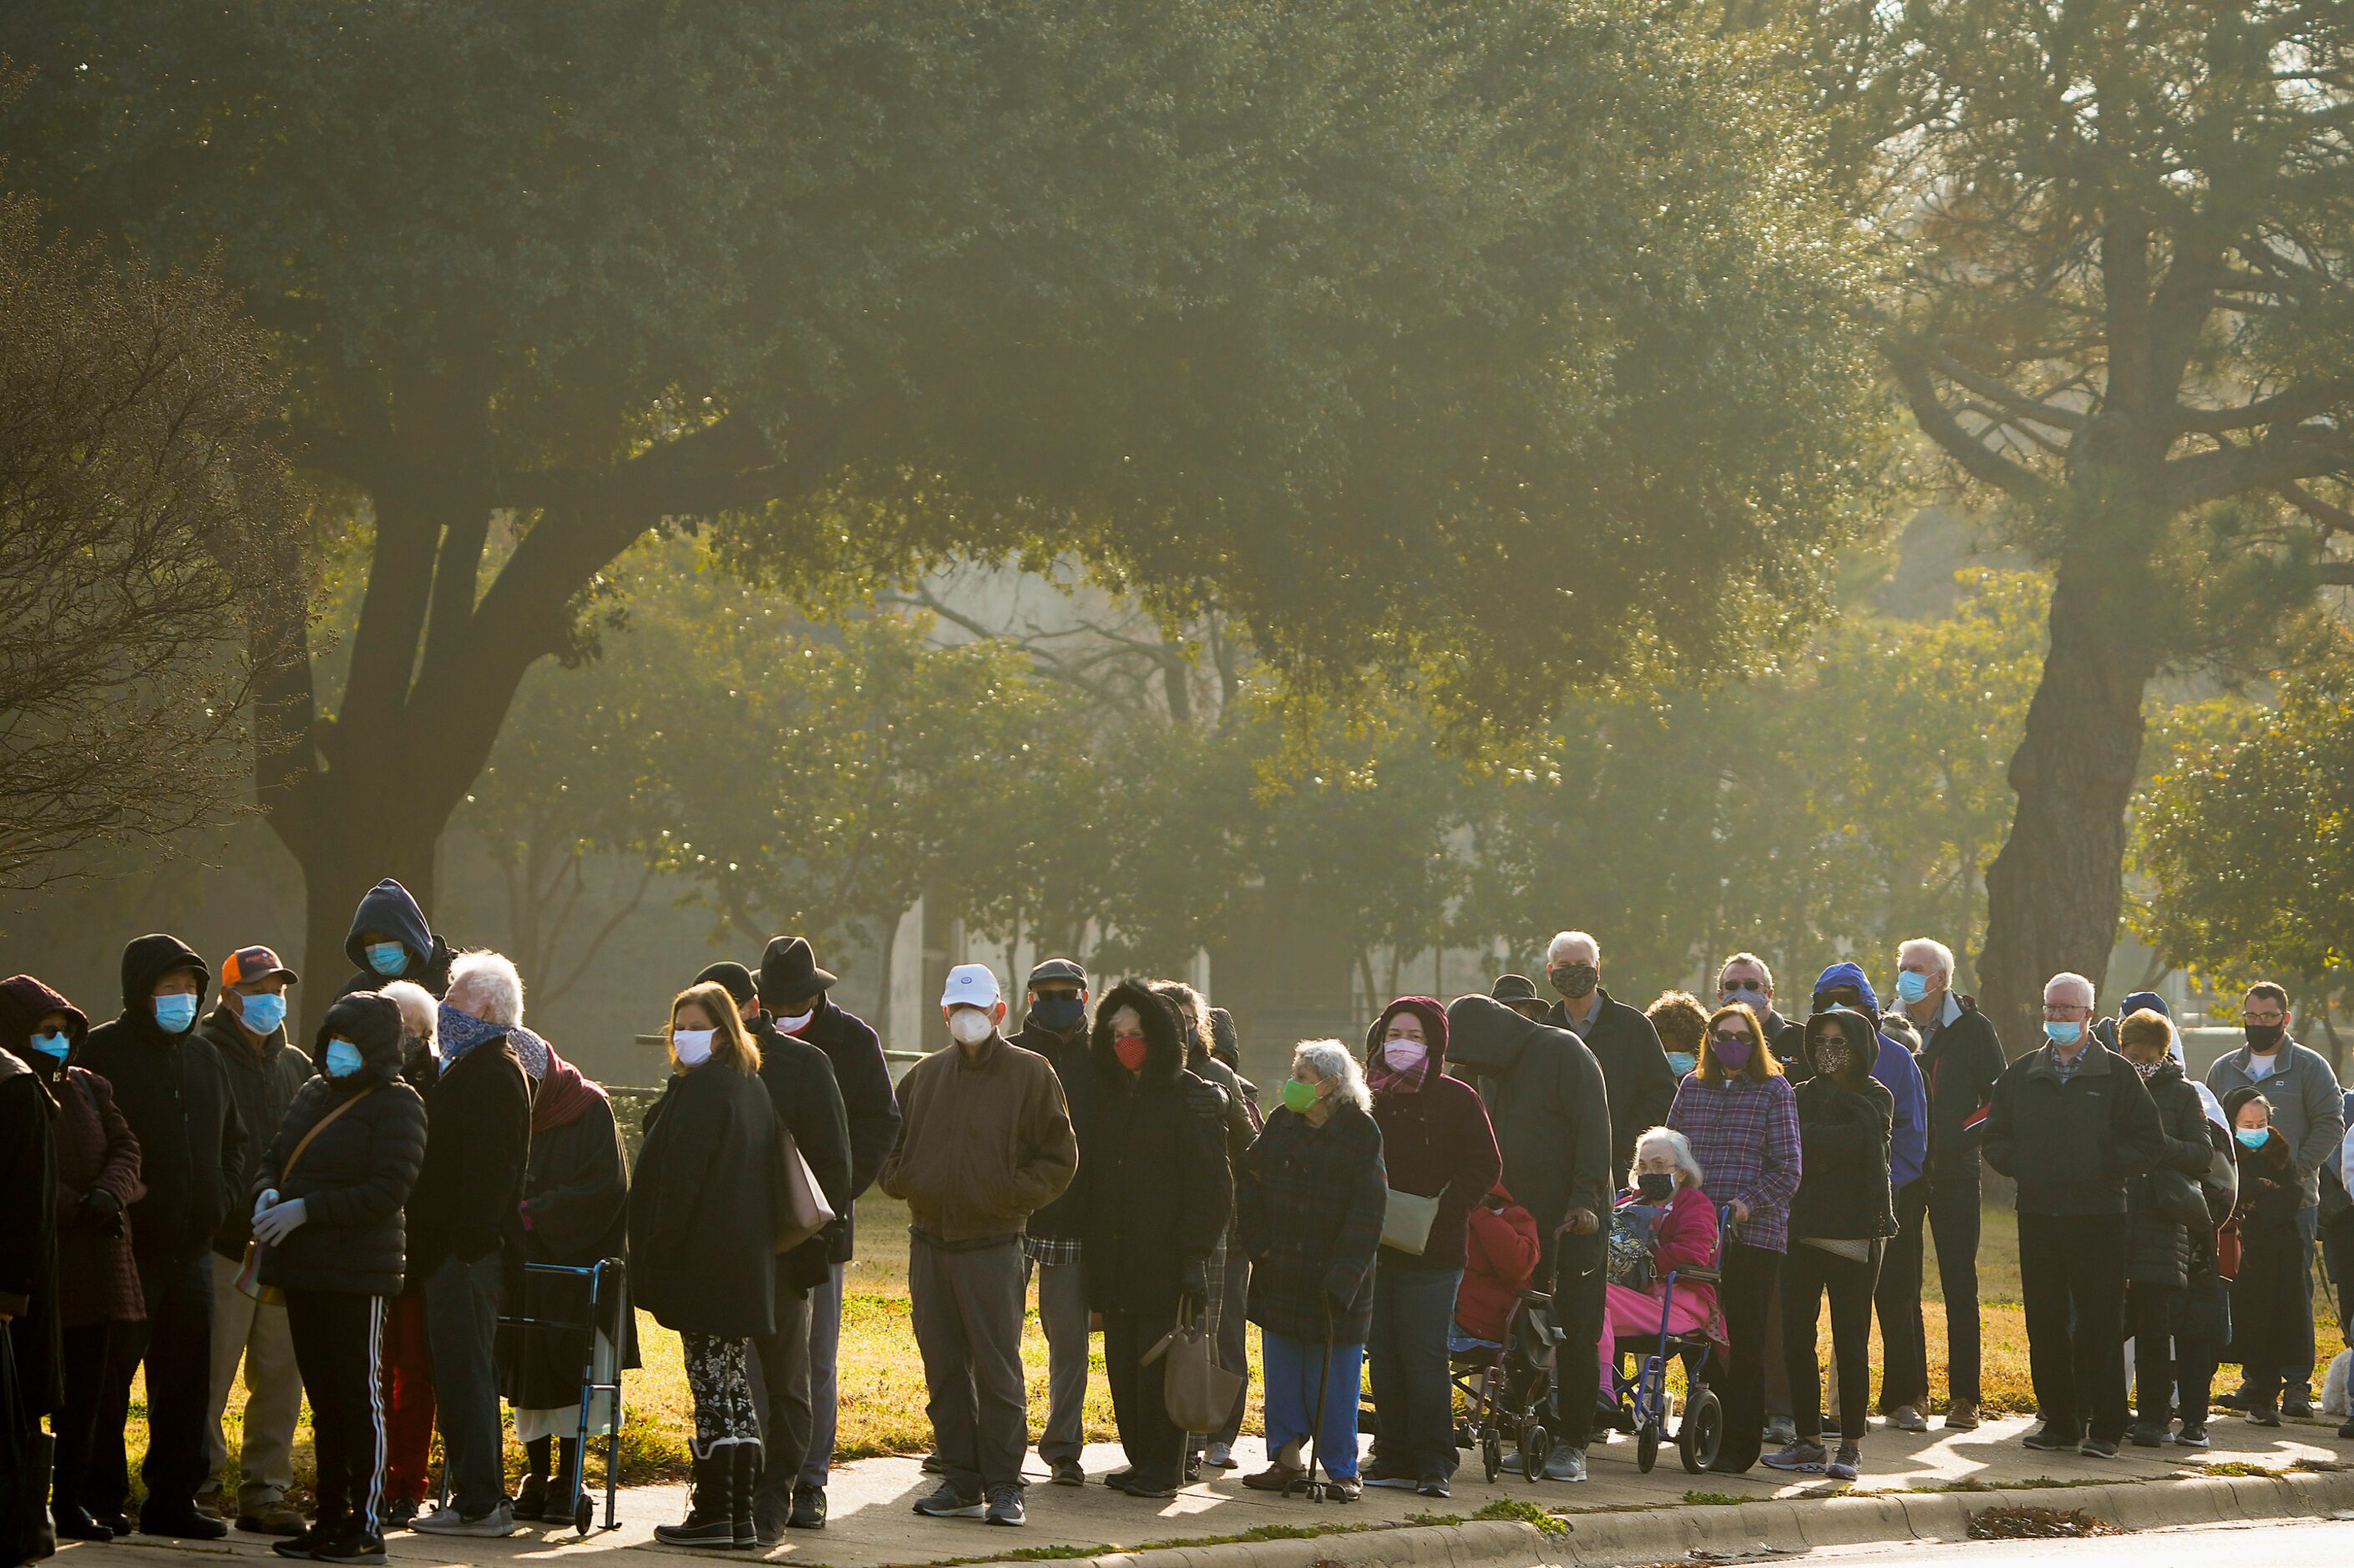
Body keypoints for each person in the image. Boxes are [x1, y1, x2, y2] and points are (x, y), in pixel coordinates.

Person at [879, 964, 1076, 1528]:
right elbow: (889, 1145)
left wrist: (1010, 1197)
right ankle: (961, 1480)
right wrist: (905, 1180)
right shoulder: (924, 1076)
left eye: (977, 1008)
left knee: (996, 1372)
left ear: (998, 1012)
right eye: (957, 1009)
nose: (967, 1018)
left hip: (993, 1245)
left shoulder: (1030, 1073)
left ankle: (1004, 1485)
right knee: (943, 1370)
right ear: (944, 1013)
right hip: (930, 1243)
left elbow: (1059, 1157)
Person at [250, 990, 428, 1566]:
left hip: (358, 1273)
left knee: (360, 1400)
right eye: (332, 1041)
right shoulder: (312, 1092)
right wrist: (270, 1191)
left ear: (376, 1049)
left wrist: (308, 1209)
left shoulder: (398, 1104)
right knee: (324, 1401)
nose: (337, 1053)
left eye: (350, 1044)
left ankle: (365, 1522)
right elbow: (273, 1156)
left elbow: (388, 1191)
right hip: (303, 1270)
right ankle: (329, 1516)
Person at [78, 933, 246, 1540]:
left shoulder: (206, 1059)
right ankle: (97, 1494)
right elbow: (81, 1139)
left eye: (191, 989)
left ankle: (173, 1498)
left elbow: (236, 1142)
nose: (183, 999)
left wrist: (222, 1199)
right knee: (108, 1379)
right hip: (125, 1247)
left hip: (194, 1251)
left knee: (185, 1384)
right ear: (138, 992)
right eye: (169, 988)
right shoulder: (101, 1052)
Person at [691, 959, 851, 1544]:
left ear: (752, 1009)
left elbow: (833, 1163)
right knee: (721, 1381)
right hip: (716, 1255)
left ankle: (776, 1496)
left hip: (783, 1253)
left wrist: (810, 1241)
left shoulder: (804, 1065)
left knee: (786, 1379)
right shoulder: (697, 1072)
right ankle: (718, 1496)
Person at [1982, 971, 2165, 1458]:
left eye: (2068, 1009)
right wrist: (2022, 1166)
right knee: (2043, 1322)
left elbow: (2149, 1142)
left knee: (2100, 1322)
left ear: (2088, 1014)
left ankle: (2106, 1425)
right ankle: (2060, 1422)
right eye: (2051, 1008)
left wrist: (2105, 1167)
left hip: (2100, 1216)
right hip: (2039, 1214)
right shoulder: (2023, 1073)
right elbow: (1994, 1136)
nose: (2058, 1017)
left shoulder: (2117, 1075)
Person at [754, 936, 899, 1527]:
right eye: (775, 1004)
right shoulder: (748, 1040)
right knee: (755, 1355)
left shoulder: (853, 1042)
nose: (784, 1015)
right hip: (753, 1227)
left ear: (815, 996)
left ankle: (809, 1480)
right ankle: (760, 1470)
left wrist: (829, 1195)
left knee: (814, 1359)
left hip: (821, 1226)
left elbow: (880, 1124)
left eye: (795, 1004)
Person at [1067, 982, 1229, 1500]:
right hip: (1114, 1261)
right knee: (1123, 1367)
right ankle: (1141, 1462)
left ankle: (1164, 1468)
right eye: (1116, 1034)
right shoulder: (1109, 1097)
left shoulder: (1189, 1098)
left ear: (1158, 1037)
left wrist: (1193, 1257)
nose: (1125, 1043)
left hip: (1166, 1262)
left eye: (1136, 1033)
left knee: (1162, 1367)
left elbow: (1211, 1188)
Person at [630, 984, 778, 1548]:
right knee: (731, 1386)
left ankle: (716, 1511)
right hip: (739, 1264)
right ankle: (735, 1513)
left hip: (702, 1263)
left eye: (695, 1024)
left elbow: (681, 1181)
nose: (683, 1036)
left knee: (712, 1386)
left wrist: (658, 1253)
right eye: (678, 1025)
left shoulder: (704, 1090)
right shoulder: (749, 1086)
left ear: (722, 1029)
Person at [1445, 992, 1610, 1483]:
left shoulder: (1564, 1052)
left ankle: (1572, 1442)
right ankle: (1526, 1434)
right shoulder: (1483, 1069)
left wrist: (1585, 1201)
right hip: (1515, 1228)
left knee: (1577, 1330)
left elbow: (1594, 1136)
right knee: (1518, 1329)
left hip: (1574, 1223)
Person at [3, 976, 139, 1545]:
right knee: (35, 1389)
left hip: (99, 1257)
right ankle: (27, 1502)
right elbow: (23, 1175)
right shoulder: (16, 1091)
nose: (57, 1042)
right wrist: (71, 1206)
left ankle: (72, 1497)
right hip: (43, 1259)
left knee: (87, 1394)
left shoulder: (87, 1085)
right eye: (45, 1031)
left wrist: (110, 1192)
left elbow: (126, 1146)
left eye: (65, 1031)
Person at [407, 953, 532, 1539]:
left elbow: (492, 1173)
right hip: (454, 1253)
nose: (444, 1007)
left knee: (465, 1375)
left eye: (453, 997)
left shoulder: (492, 1072)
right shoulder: (470, 1067)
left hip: (465, 1257)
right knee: (458, 1373)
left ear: (484, 1006)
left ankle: (481, 1501)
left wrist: (463, 1244)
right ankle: (476, 1496)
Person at [1357, 997, 1496, 1499]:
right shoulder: (1365, 1096)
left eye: (1415, 1036)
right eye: (1395, 1033)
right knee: (1384, 1354)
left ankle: (1435, 1457)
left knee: (1423, 1354)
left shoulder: (1458, 1098)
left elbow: (1485, 1167)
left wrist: (1444, 1209)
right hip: (1376, 1246)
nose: (1403, 1044)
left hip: (1433, 1250)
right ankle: (1391, 1451)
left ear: (1435, 1044)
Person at [1237, 1040, 1386, 1501]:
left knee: (1335, 1380)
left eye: (1302, 1078)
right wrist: (1259, 1246)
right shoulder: (1283, 1123)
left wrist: (1343, 1277)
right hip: (1282, 1270)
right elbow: (1250, 1176)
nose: (1293, 1087)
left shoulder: (1362, 1133)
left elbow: (1369, 1212)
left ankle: (1342, 1470)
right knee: (1282, 1371)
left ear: (1331, 1085)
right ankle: (1285, 1461)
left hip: (1336, 1280)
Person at [195, 945, 310, 1534]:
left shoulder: (298, 1066)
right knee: (209, 1371)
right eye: (260, 987)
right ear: (230, 995)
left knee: (280, 1373)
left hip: (283, 1249)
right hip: (224, 1242)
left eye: (279, 988)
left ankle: (264, 1492)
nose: (272, 999)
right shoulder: (203, 1054)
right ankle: (199, 1484)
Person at [504, 1047, 638, 1525]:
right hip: (527, 1266)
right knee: (529, 1377)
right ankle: (536, 1477)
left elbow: (607, 1186)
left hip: (578, 1268)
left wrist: (537, 1211)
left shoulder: (589, 1107)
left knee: (571, 1375)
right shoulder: (517, 1108)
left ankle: (569, 1476)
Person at [1665, 1001, 1800, 1474]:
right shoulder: (1692, 1087)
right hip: (1696, 1233)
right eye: (1722, 1037)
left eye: (1742, 1037)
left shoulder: (1774, 1090)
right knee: (1695, 1332)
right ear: (1709, 1041)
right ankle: (1706, 1427)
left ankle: (1740, 1444)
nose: (1732, 1046)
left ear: (1756, 1042)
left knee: (1742, 1340)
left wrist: (1746, 1203)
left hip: (1752, 1236)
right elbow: (1671, 1149)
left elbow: (1788, 1169)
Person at [1880, 937, 2005, 1434]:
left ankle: (1964, 1397)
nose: (1907, 975)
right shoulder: (1884, 1026)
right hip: (1901, 1174)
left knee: (1959, 1283)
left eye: (1918, 968)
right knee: (1900, 1284)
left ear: (1942, 979)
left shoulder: (1973, 1029)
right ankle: (1908, 1394)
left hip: (1955, 1172)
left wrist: (1956, 1140)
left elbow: (1997, 1099)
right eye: (1903, 966)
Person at [1764, 1006, 1894, 1482]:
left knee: (1850, 1341)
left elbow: (1858, 1144)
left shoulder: (1876, 1097)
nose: (1828, 1052)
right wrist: (1824, 1150)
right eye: (1820, 1041)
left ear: (1860, 1048)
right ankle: (1808, 1440)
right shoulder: (1797, 1095)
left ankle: (1851, 1446)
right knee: (1797, 1338)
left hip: (1856, 1236)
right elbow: (1786, 1146)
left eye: (1840, 1042)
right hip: (1800, 1233)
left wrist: (1814, 1146)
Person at [2205, 982, 2345, 1419]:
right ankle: (2256, 1382)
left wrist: (2295, 1173)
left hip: (2294, 1208)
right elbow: (2209, 1126)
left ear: (2285, 1018)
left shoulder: (2309, 1066)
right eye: (2252, 1017)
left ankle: (2297, 1383)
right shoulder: (2225, 1068)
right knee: (2248, 1294)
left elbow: (2330, 1123)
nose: (2259, 1024)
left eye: (2268, 1017)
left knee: (2293, 1294)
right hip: (2238, 1208)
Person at [1150, 979, 1254, 1481]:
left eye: (1189, 1018)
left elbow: (1251, 1148)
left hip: (1222, 1231)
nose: (1180, 1026)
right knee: (1165, 1334)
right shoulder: (1141, 1074)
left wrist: (1225, 1108)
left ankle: (1216, 1436)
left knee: (1220, 1334)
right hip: (1159, 1229)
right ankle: (1168, 1441)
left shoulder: (1218, 1075)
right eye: (1169, 1015)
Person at [2114, 1009, 2230, 1448]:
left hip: (2162, 1223)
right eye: (2132, 1053)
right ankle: (2106, 1408)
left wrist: (2156, 1145)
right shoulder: (2112, 1085)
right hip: (2114, 1215)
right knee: (2106, 1324)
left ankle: (2153, 1417)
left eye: (2148, 1056)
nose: (2139, 1063)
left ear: (2163, 1054)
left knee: (2153, 1326)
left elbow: (2202, 1154)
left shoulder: (2184, 1094)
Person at [1008, 959, 1093, 1487]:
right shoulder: (1010, 1053)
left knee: (1069, 1342)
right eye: (1046, 994)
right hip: (1013, 1210)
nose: (1056, 1002)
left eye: (1067, 993)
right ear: (1030, 999)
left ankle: (1064, 1446)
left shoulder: (1101, 1057)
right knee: (996, 1334)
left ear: (1085, 998)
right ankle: (993, 1438)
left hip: (1075, 1215)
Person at [371, 983, 441, 1529]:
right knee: (372, 1372)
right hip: (368, 1251)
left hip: (418, 1255)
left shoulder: (442, 1085)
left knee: (413, 1374)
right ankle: (371, 1478)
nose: (406, 1040)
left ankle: (407, 1483)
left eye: (415, 1031)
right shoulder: (355, 1082)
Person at [1541, 931, 1677, 1176]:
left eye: (1582, 965)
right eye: (1565, 966)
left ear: (1597, 968)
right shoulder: (1542, 1031)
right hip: (1555, 1170)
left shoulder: (1634, 1027)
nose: (1574, 971)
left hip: (1620, 1170)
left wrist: (1623, 1141)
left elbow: (1663, 1094)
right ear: (1551, 972)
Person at [1597, 1128, 1719, 1389]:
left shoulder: (1696, 1205)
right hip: (1636, 1300)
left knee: (1594, 1294)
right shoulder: (1626, 1205)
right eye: (1643, 1166)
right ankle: (1585, 1388)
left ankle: (1601, 1389)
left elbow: (1693, 1252)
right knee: (1582, 1298)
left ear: (1681, 1172)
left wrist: (1643, 1262)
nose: (1650, 1172)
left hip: (1677, 1306)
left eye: (1659, 1165)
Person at [1806, 963, 1926, 1197]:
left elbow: (1911, 1133)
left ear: (1866, 1002)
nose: (1837, 1005)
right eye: (1827, 1000)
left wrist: (1883, 1184)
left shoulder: (1896, 1057)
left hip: (1879, 1192)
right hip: (1814, 1195)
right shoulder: (1809, 1050)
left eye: (1847, 997)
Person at [2225, 1090, 2306, 1428]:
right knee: (2235, 1323)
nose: (2255, 1130)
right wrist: (2257, 1189)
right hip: (2235, 1252)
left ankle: (2265, 1398)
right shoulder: (2225, 1151)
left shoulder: (2281, 1153)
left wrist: (2255, 1194)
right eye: (2247, 1124)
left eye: (2261, 1123)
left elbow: (2292, 1196)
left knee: (2274, 1324)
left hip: (2277, 1253)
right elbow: (2226, 1192)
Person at [337, 879, 456, 999]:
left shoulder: (457, 977)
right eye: (369, 942)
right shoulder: (358, 990)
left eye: (386, 939)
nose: (377, 949)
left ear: (410, 936)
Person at [1454, 1184, 1540, 1349]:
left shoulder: (1513, 1216)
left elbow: (1519, 1266)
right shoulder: (1442, 1213)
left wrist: (1480, 1213)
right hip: (1446, 1311)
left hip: (1482, 1320)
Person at [1716, 953, 1803, 1072]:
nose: (1741, 992)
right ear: (1720, 995)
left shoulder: (1801, 1040)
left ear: (1769, 994)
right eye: (1732, 985)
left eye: (1751, 985)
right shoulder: (1708, 1039)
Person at [1644, 992, 1708, 1083]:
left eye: (1682, 1050)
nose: (1674, 1056)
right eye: (1666, 1049)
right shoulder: (1643, 1084)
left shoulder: (1706, 1088)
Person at [1488, 974, 1552, 1025]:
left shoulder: (1543, 1039)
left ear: (1529, 1011)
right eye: (1503, 1009)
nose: (1509, 1013)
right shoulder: (1482, 1036)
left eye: (1516, 1009)